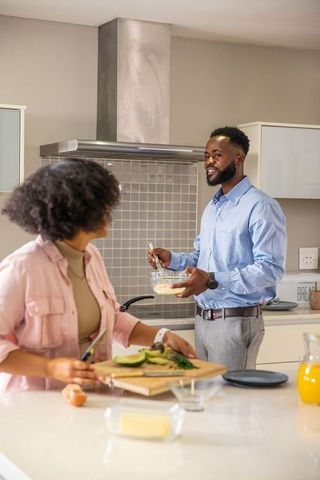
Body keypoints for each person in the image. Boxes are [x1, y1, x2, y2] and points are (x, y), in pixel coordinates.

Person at [0, 159, 195, 392]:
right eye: (100, 203)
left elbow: (110, 319)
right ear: (74, 210)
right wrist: (50, 368)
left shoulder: (91, 256)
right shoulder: (22, 267)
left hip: (94, 394)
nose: (108, 211)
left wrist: (162, 336)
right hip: (37, 404)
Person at [148, 126, 287, 371]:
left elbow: (270, 269)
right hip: (203, 320)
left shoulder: (261, 206)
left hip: (235, 322)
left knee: (232, 402)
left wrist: (212, 280)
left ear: (239, 159)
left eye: (217, 155)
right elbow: (202, 257)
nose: (209, 162)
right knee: (209, 401)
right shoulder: (213, 206)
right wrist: (172, 260)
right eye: (206, 155)